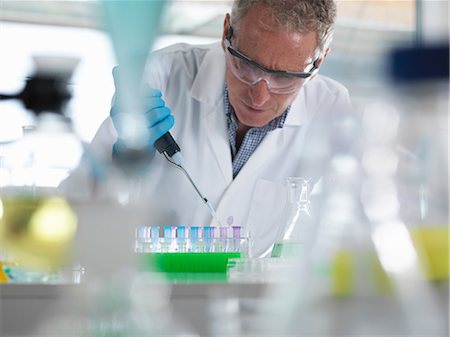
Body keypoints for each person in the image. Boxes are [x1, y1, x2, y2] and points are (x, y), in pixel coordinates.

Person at [73, 0, 352, 257]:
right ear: (226, 31)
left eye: (284, 78)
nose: (260, 97)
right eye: (247, 65)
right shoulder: (161, 74)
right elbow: (79, 208)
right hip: (155, 292)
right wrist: (125, 154)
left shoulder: (330, 108)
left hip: (252, 303)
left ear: (319, 62)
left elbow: (347, 225)